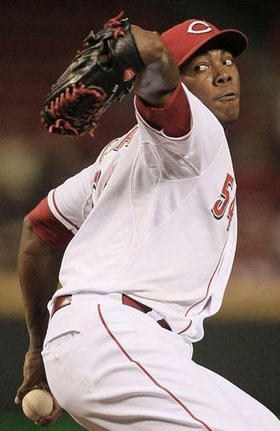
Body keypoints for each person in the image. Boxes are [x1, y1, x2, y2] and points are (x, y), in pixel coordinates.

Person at [15, 16, 280, 431]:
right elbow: (151, 56)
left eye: (228, 60)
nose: (224, 71)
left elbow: (40, 233)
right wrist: (144, 50)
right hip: (116, 338)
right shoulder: (192, 131)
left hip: (116, 347)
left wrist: (37, 350)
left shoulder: (115, 158)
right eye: (201, 67)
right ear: (177, 82)